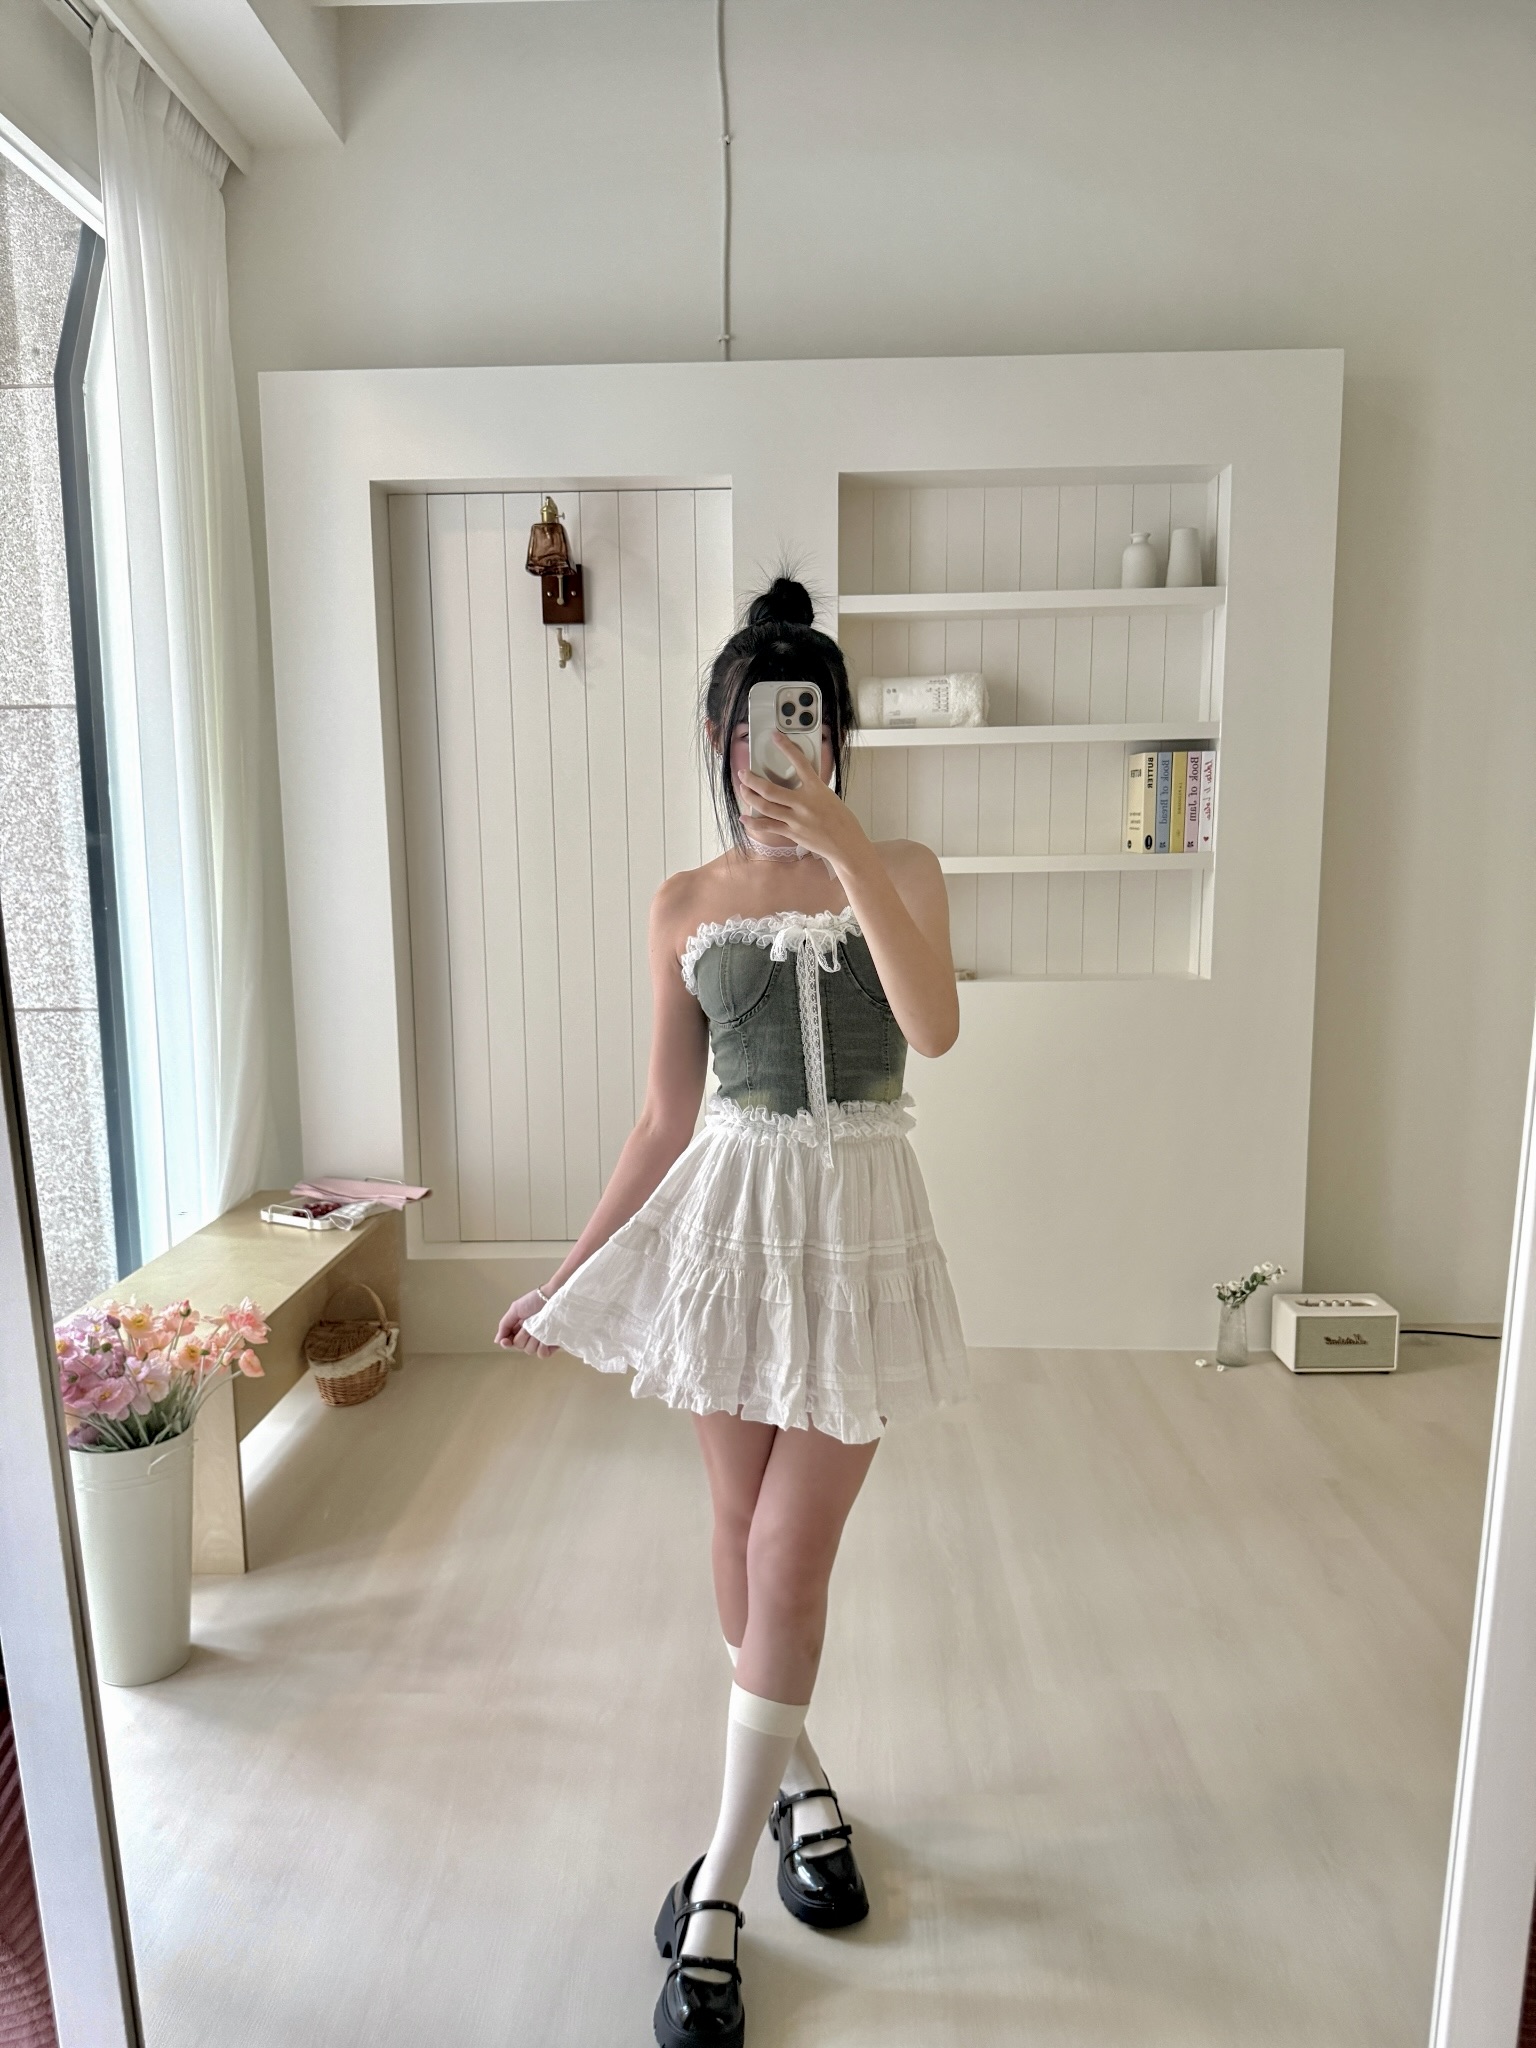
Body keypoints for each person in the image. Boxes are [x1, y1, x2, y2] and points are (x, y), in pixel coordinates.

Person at [496, 575, 969, 2048]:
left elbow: (935, 1028)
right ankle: (801, 1785)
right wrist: (569, 1272)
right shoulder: (683, 905)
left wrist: (844, 849)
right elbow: (661, 1120)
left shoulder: (902, 867)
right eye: (755, 727)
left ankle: (713, 1894)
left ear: (835, 736)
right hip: (728, 1235)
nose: (779, 749)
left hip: (856, 1238)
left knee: (787, 1550)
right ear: (720, 737)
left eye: (807, 724)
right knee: (738, 1525)